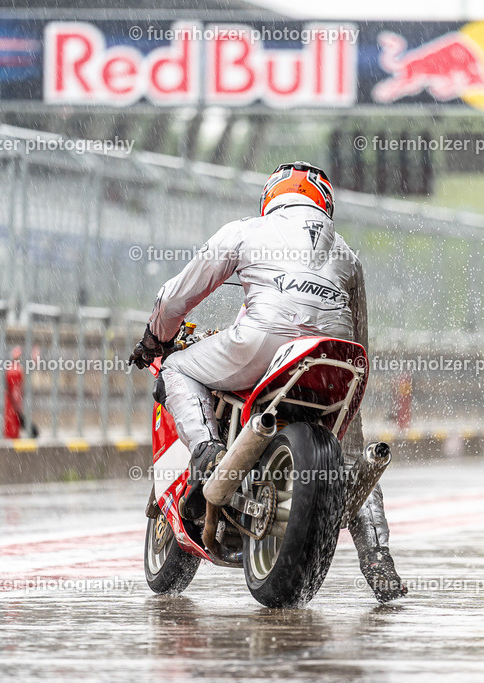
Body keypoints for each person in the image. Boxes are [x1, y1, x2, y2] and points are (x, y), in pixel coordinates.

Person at [129, 161, 406, 602]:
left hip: (262, 343)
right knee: (354, 452)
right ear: (325, 206)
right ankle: (378, 559)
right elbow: (361, 336)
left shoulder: (247, 230)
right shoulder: (349, 258)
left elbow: (178, 295)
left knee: (180, 368)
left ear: (272, 197)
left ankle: (206, 450)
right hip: (340, 361)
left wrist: (154, 339)